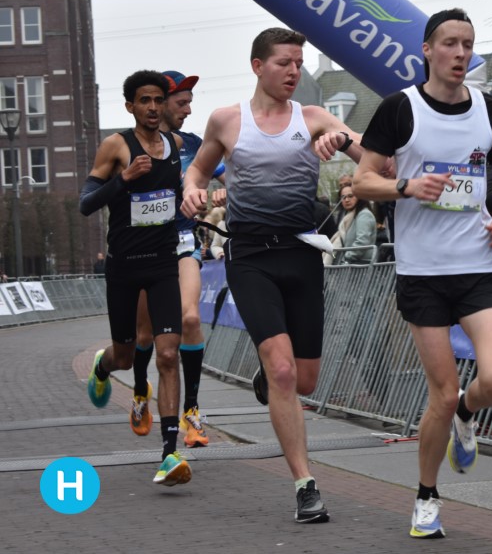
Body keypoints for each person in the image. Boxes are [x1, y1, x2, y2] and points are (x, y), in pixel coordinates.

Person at [180, 27, 365, 524]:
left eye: (299, 63)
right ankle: (306, 485)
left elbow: (377, 160)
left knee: (304, 379)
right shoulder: (227, 121)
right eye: (284, 62)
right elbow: (197, 171)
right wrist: (193, 189)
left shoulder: (314, 118)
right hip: (251, 257)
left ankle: (270, 375)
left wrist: (344, 139)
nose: (294, 71)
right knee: (284, 371)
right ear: (258, 66)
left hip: (301, 254)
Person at [348, 8, 492, 539]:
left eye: (468, 44)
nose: (460, 53)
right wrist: (406, 187)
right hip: (422, 272)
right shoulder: (401, 109)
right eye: (450, 43)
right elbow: (362, 181)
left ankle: (469, 412)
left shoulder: (489, 109)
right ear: (427, 50)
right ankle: (426, 495)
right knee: (440, 394)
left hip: (476, 264)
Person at [78, 70, 190, 487]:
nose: (153, 107)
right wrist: (124, 179)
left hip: (163, 264)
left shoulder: (176, 145)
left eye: (158, 100)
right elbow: (86, 204)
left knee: (167, 354)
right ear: (130, 106)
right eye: (145, 100)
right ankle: (103, 366)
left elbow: (177, 192)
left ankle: (169, 452)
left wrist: (195, 198)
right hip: (124, 267)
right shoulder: (116, 146)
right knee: (125, 357)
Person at [128, 71, 223, 449]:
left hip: (183, 241)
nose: (188, 110)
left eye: (190, 103)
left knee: (190, 319)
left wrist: (226, 191)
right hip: (143, 246)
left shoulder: (196, 145)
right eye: (181, 103)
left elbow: (230, 174)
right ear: (160, 103)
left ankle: (192, 412)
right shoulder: (131, 144)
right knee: (144, 335)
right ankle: (140, 391)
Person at [327, 186, 377, 265]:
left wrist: (346, 257)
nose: (346, 200)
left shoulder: (364, 214)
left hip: (361, 265)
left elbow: (362, 242)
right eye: (343, 197)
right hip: (351, 264)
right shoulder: (348, 216)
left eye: (350, 196)